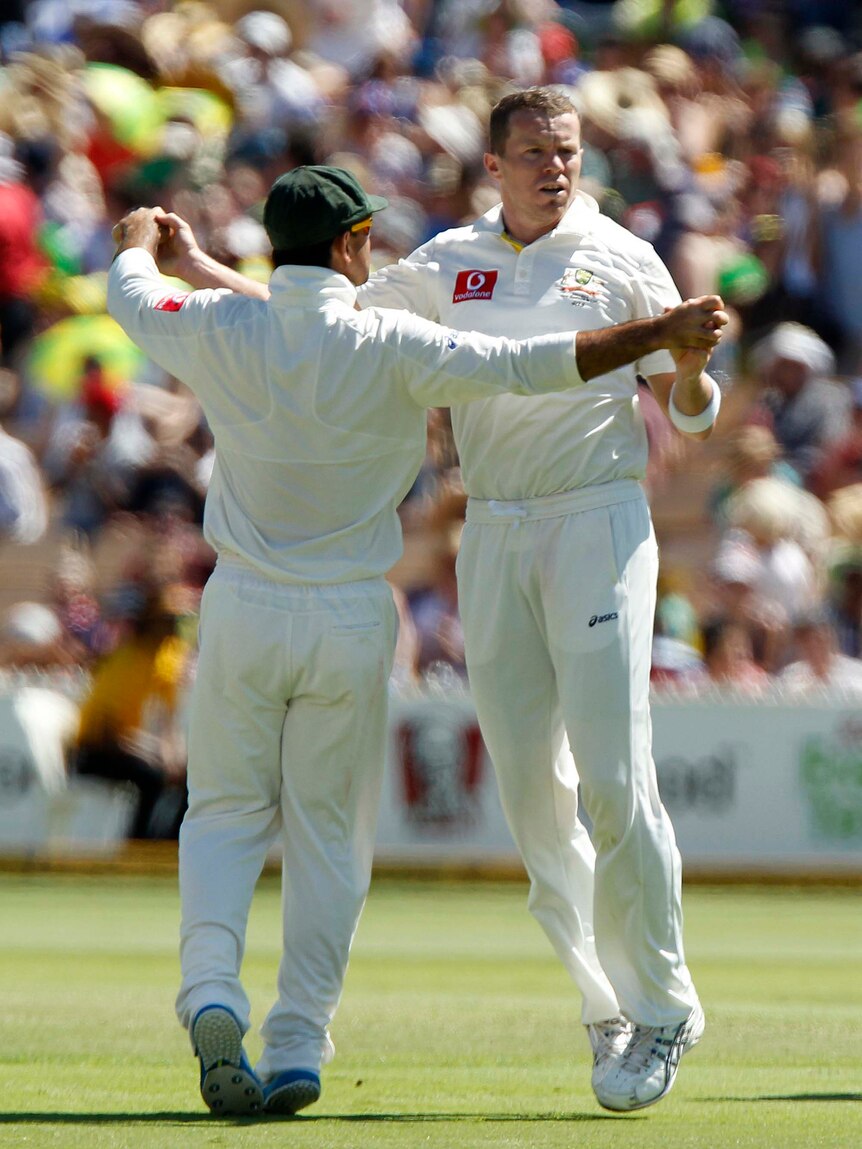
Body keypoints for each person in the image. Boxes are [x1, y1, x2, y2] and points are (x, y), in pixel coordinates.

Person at [106, 165, 725, 1118]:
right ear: (353, 246)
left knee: (224, 814)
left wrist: (150, 243)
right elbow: (535, 366)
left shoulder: (217, 327)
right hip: (350, 612)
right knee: (329, 839)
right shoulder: (392, 338)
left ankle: (212, 993)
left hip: (240, 605)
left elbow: (131, 290)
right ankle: (299, 1037)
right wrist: (659, 332)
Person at [356, 87, 723, 1111]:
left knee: (612, 772)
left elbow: (688, 415)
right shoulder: (444, 261)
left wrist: (691, 375)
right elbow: (343, 331)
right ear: (492, 164)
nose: (552, 167)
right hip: (496, 528)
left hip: (598, 519)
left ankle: (661, 1011)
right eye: (531, 152)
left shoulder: (621, 256)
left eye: (563, 150)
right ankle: (601, 1003)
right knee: (528, 789)